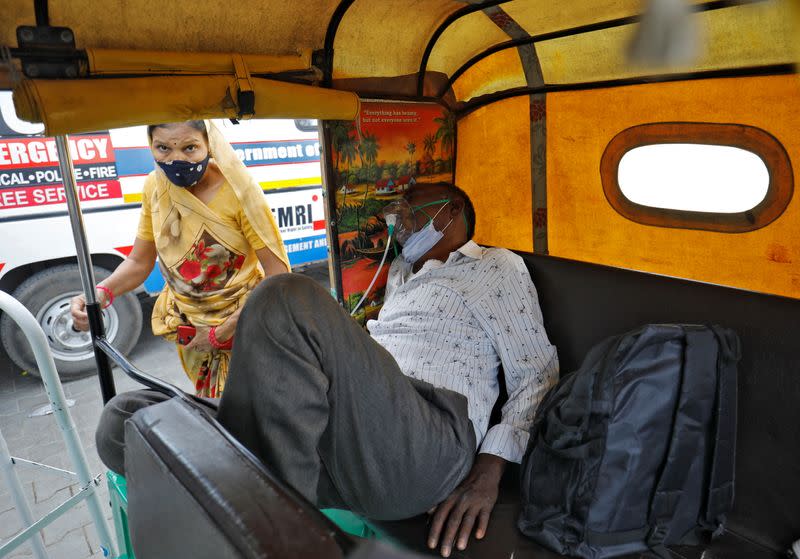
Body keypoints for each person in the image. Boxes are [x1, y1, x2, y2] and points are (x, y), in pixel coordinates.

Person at [96, 181, 558, 557]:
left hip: (424, 439)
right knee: (129, 417)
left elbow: (536, 373)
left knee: (284, 296)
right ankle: (259, 488)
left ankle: (275, 531)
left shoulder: (496, 267)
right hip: (333, 447)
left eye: (409, 213)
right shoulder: (401, 275)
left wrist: (489, 469)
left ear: (449, 211)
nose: (397, 225)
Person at [71, 120, 290, 397]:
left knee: (251, 411)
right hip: (191, 330)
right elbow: (140, 261)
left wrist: (220, 333)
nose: (176, 159)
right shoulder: (154, 187)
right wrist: (101, 293)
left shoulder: (240, 192)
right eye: (163, 148)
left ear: (209, 145)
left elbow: (279, 278)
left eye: (190, 148)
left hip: (246, 327)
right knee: (213, 412)